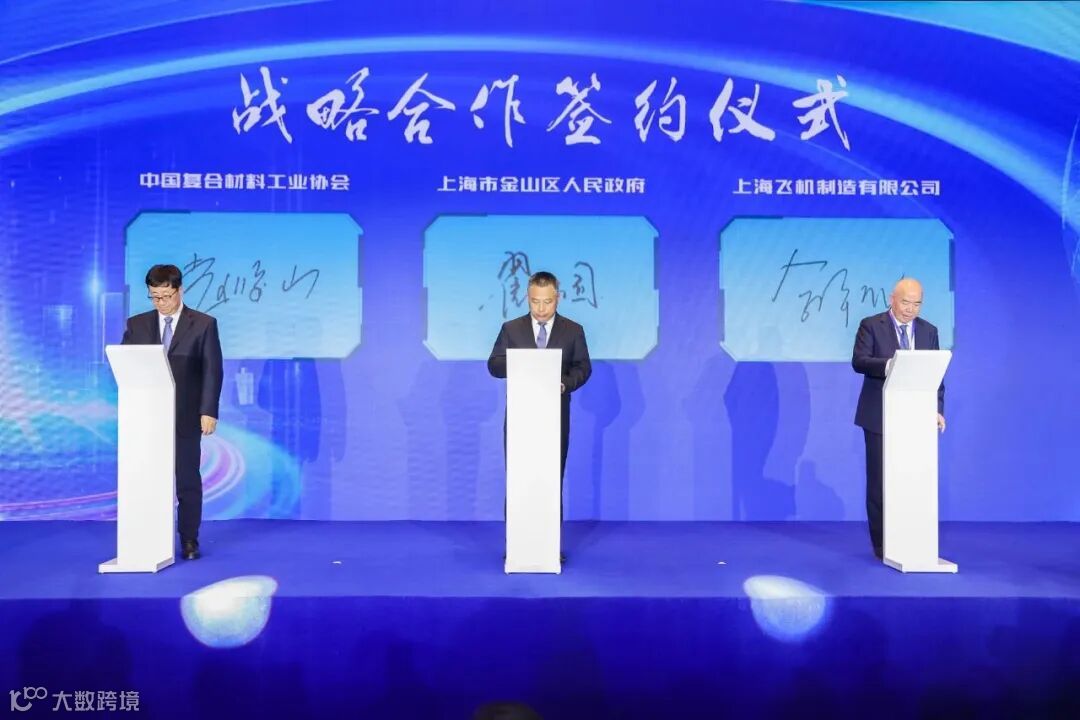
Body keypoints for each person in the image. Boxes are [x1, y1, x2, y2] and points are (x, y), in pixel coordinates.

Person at [488, 271, 591, 559]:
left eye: (547, 302)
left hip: (555, 417)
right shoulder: (511, 329)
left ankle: (549, 547)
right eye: (535, 302)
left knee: (551, 481)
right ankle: (517, 546)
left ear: (558, 297)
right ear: (527, 298)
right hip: (520, 418)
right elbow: (494, 364)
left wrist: (564, 384)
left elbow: (583, 368)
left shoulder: (573, 330)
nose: (541, 309)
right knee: (518, 482)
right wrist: (521, 364)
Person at [122, 264, 223, 560]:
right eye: (154, 296)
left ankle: (189, 539)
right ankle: (148, 536)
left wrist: (208, 411)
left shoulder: (203, 324)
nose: (161, 303)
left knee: (187, 479)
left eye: (166, 296)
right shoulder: (137, 325)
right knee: (146, 479)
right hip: (145, 417)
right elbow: (126, 366)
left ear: (180, 290)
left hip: (186, 416)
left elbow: (212, 370)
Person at [852, 277, 945, 559]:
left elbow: (936, 375)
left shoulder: (929, 331)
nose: (910, 309)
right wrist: (892, 365)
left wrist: (937, 409)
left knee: (912, 480)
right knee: (880, 482)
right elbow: (859, 361)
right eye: (905, 302)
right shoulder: (871, 325)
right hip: (879, 415)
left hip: (915, 418)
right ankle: (882, 544)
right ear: (892, 299)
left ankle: (910, 538)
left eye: (917, 304)